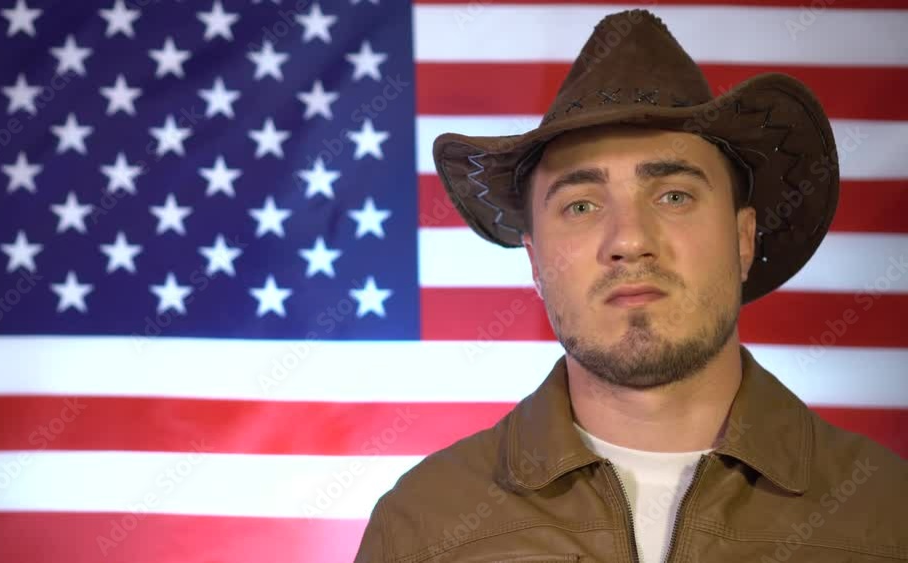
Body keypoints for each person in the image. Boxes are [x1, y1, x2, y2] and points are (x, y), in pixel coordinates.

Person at [354, 9, 906, 563]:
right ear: (536, 263)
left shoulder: (887, 514)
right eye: (581, 205)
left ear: (743, 239)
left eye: (674, 196)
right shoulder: (422, 528)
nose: (630, 239)